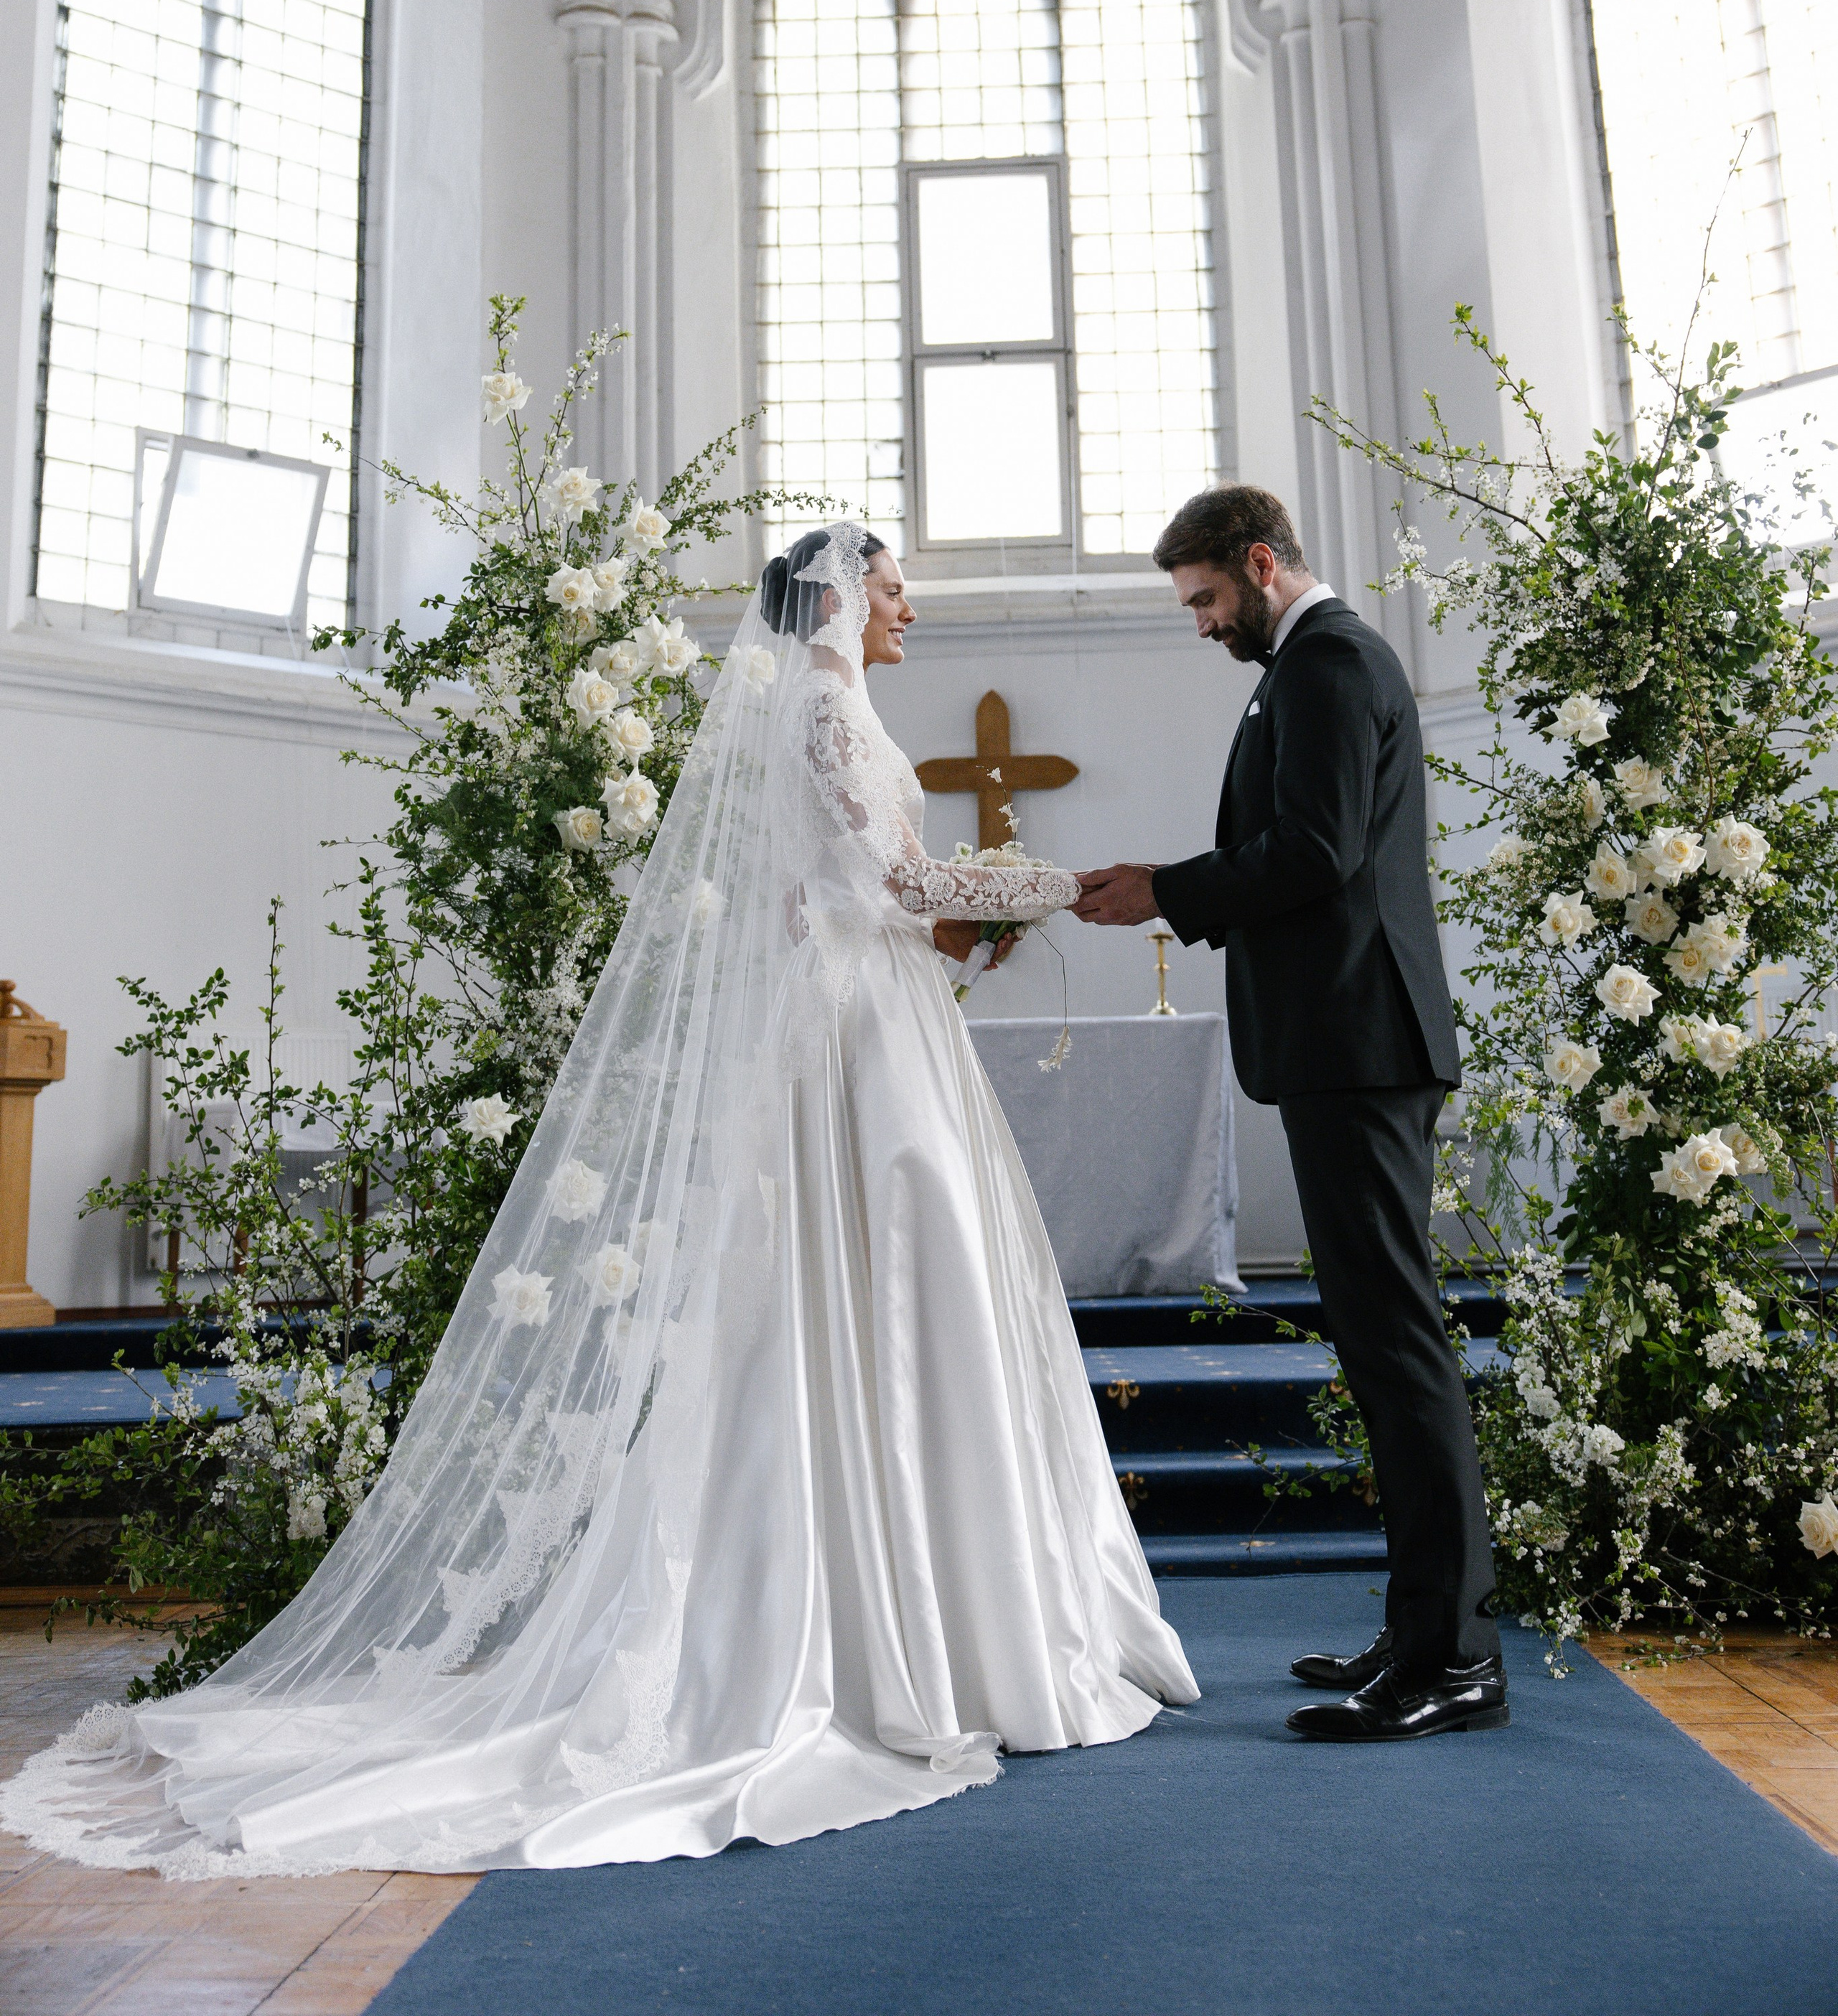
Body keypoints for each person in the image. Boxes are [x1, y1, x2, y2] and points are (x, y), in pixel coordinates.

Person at [4, 522, 1193, 1877]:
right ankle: (895, 1621)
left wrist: (967, 917)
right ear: (836, 596)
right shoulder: (819, 706)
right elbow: (892, 881)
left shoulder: (843, 704)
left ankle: (937, 1597)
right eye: (893, 583)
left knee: (907, 1282)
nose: (908, 603)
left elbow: (851, 897)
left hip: (877, 1018)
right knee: (884, 1276)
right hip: (856, 1040)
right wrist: (1058, 886)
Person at [1073, 484, 1506, 1745]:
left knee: (1398, 1345)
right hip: (1350, 1046)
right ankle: (1423, 1625)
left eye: (1207, 599)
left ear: (1262, 565)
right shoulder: (1309, 666)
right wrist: (1175, 884)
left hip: (1362, 1050)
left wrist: (1168, 890)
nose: (1201, 624)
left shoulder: (1328, 664)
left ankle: (1454, 1656)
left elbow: (1313, 853)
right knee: (1383, 1344)